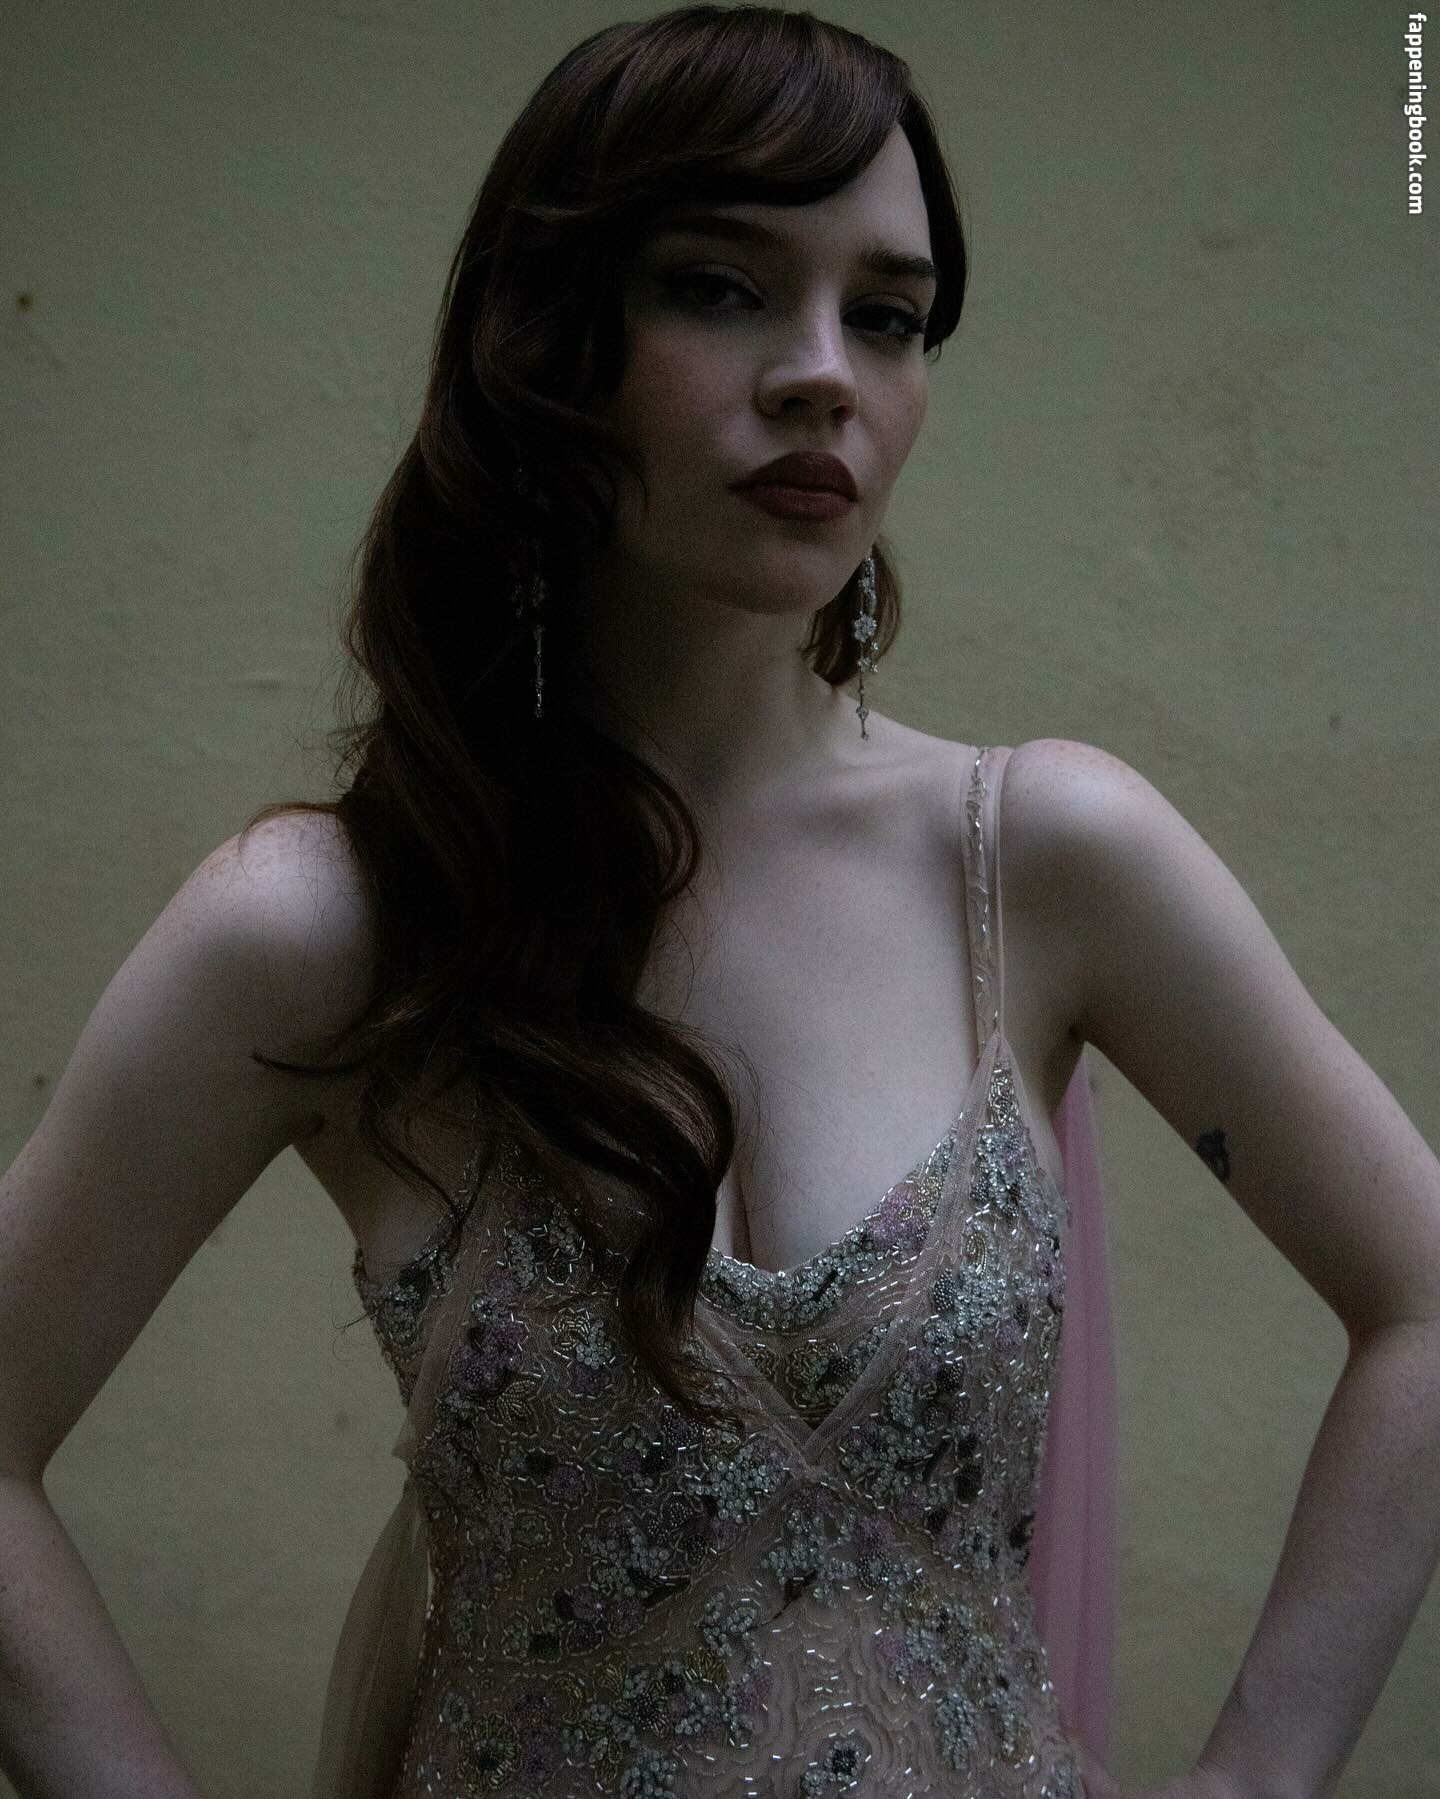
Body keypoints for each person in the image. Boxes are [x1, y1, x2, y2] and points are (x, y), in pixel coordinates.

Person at [3, 7, 1438, 1799]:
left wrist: (1255, 1778)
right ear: (547, 341)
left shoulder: (1040, 859)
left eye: (890, 316)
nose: (826, 374)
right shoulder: (337, 923)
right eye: (721, 288)